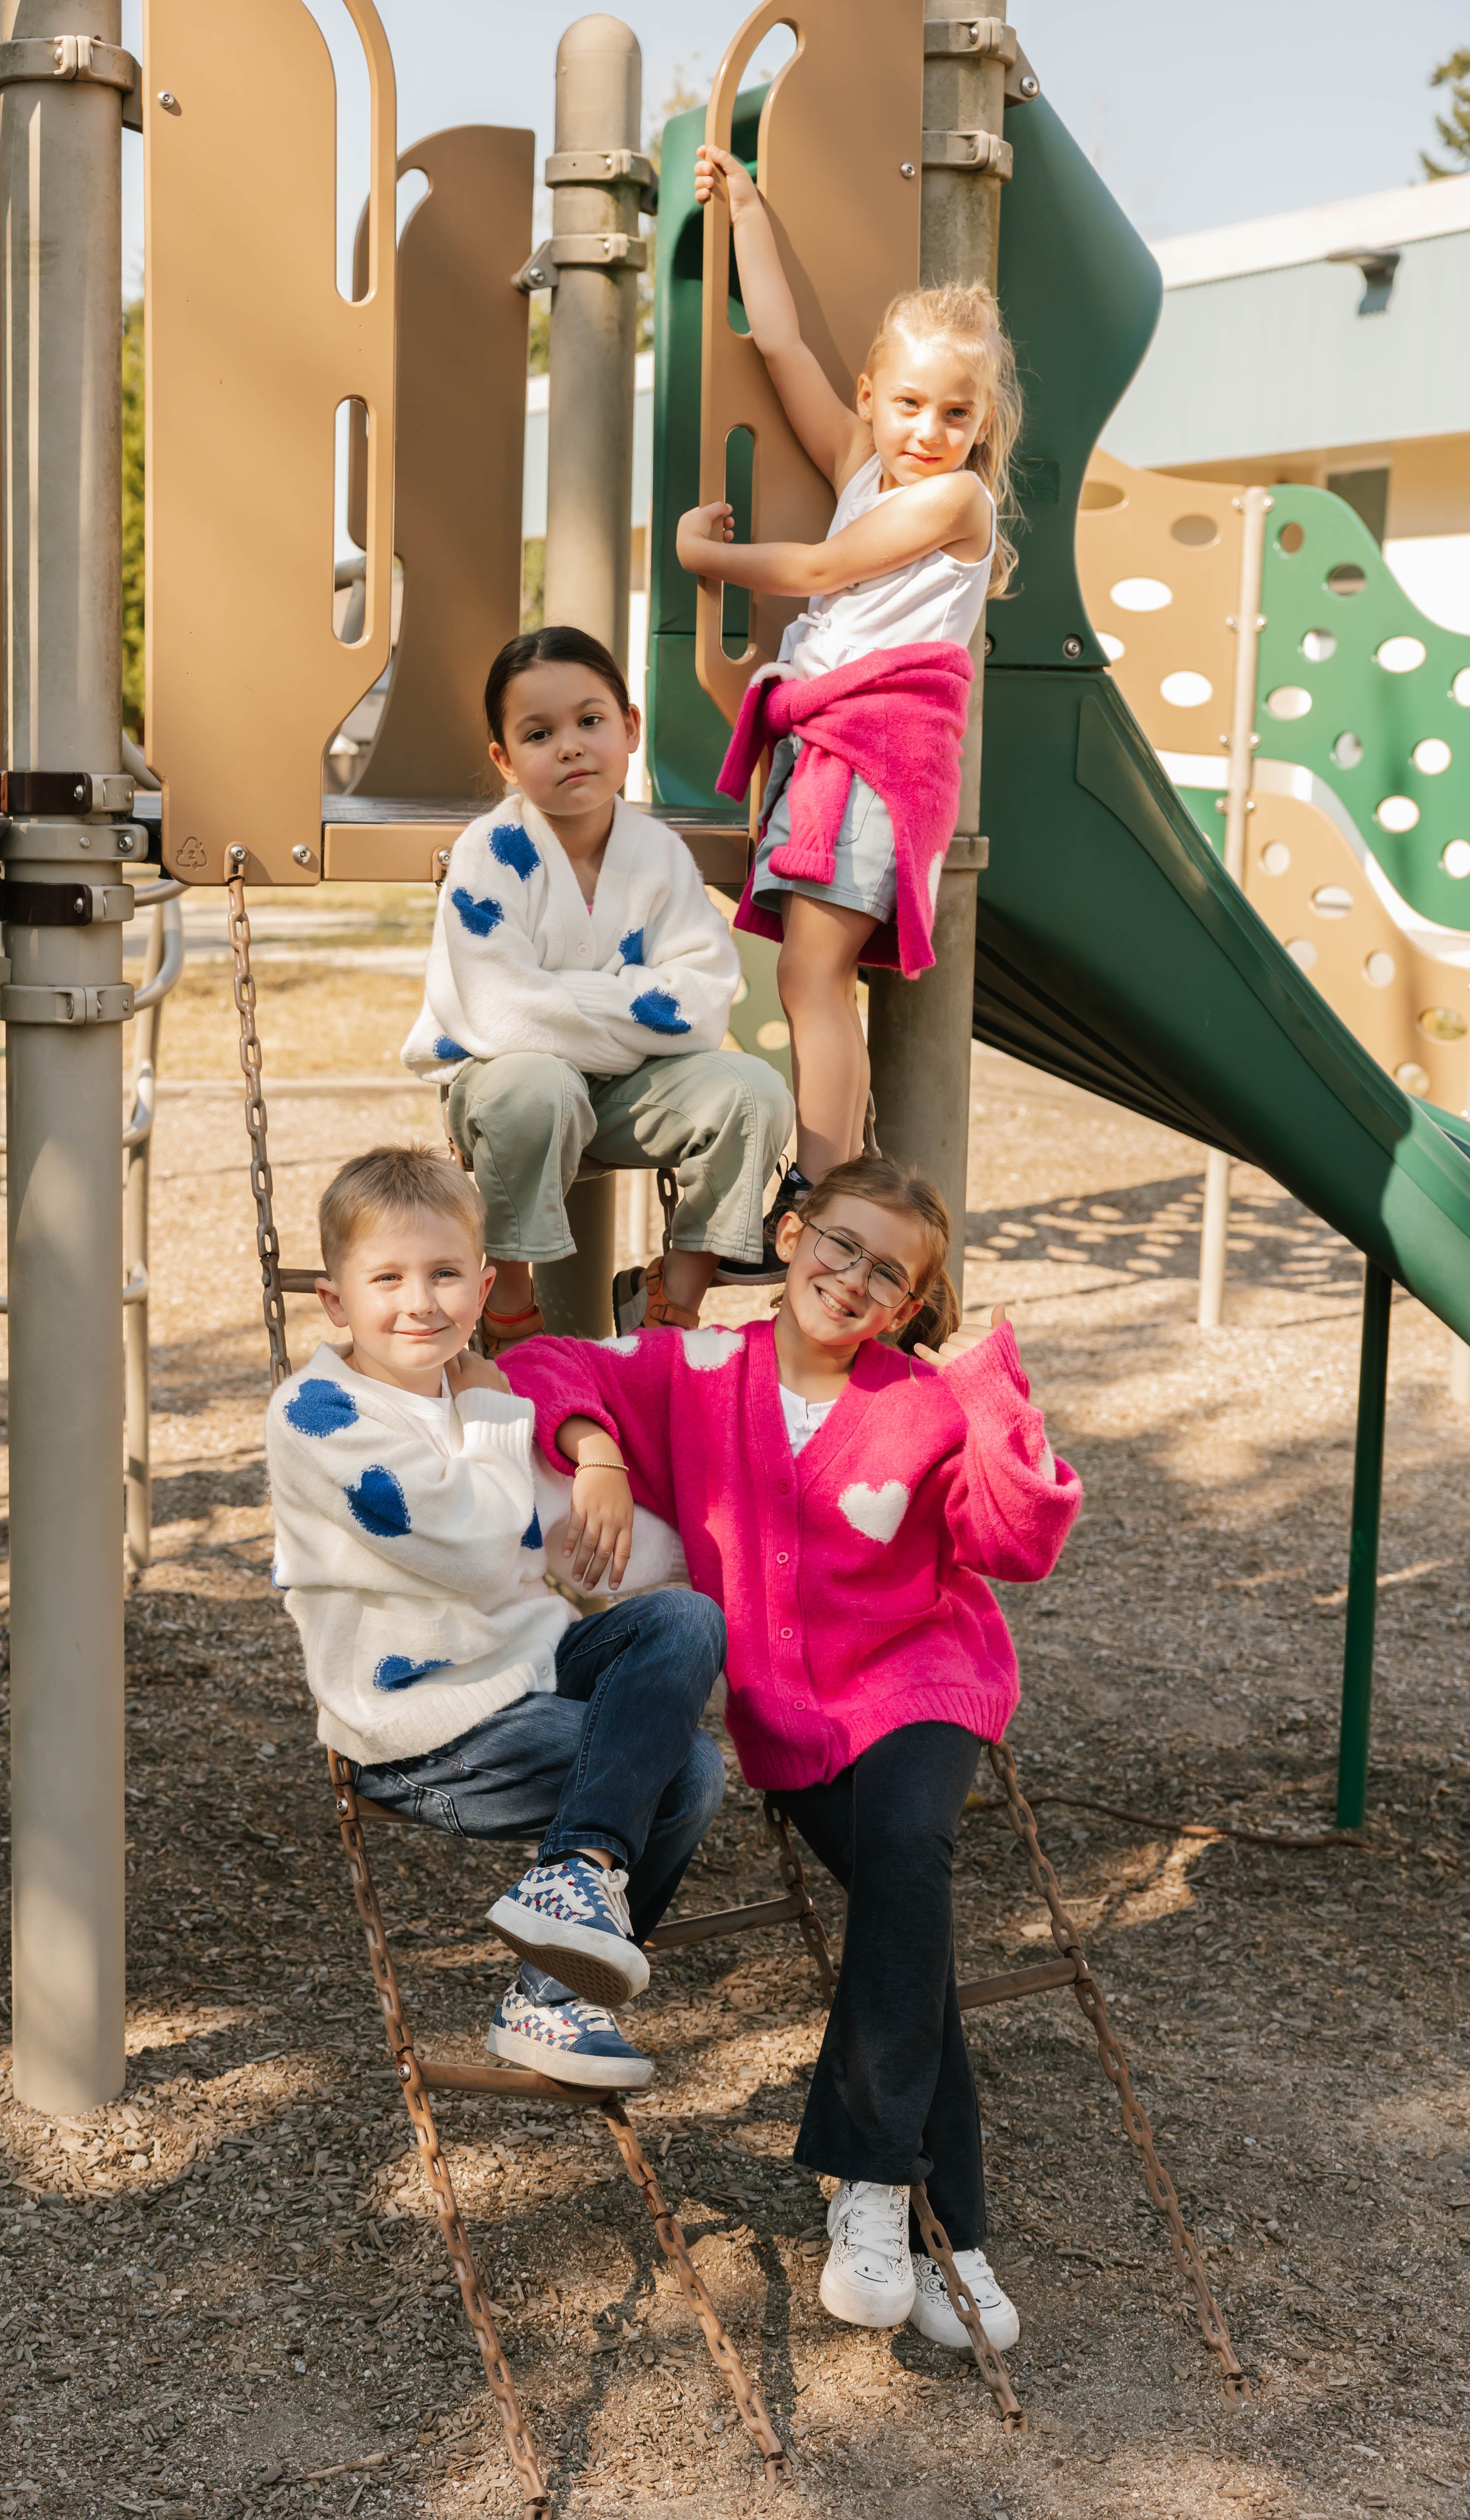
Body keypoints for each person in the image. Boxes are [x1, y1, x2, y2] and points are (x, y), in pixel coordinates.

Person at [505, 1158, 1081, 2345]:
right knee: (899, 1924)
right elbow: (538, 1365)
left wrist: (986, 1389)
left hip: (925, 1680)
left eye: (891, 1274)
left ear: (913, 1304)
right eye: (839, 1244)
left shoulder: (921, 1401)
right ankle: (951, 2231)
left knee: (911, 1851)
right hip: (796, 1725)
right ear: (790, 1232)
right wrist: (601, 1455)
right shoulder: (693, 1368)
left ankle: (877, 2187)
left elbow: (1018, 1539)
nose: (853, 1278)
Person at [265, 1144, 728, 2090]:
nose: (419, 1303)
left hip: (526, 1668)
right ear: (334, 1300)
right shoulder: (317, 1414)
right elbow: (479, 1546)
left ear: (482, 1289)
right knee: (682, 1771)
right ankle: (555, 1999)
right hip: (423, 1729)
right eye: (386, 1279)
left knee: (681, 1621)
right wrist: (490, 1408)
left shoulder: (471, 1397)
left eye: (443, 1276)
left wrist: (602, 1465)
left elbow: (565, 1544)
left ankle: (567, 1905)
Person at [677, 144, 1022, 1185]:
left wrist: (705, 558)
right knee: (805, 978)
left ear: (981, 424)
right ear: (871, 395)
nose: (928, 430)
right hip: (834, 746)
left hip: (875, 750)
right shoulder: (861, 463)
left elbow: (822, 564)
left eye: (955, 414)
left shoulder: (956, 501)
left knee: (811, 976)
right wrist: (745, 213)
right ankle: (838, 1173)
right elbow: (779, 343)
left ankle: (823, 1187)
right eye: (908, 403)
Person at [402, 624, 794, 1351]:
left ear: (629, 728)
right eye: (539, 733)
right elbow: (499, 1014)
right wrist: (631, 996)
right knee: (539, 1084)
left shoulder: (657, 857)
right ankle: (511, 1303)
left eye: (590, 721)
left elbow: (702, 1003)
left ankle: (672, 1296)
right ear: (507, 761)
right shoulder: (490, 856)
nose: (571, 746)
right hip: (505, 1091)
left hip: (626, 1095)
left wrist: (563, 994)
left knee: (752, 1090)